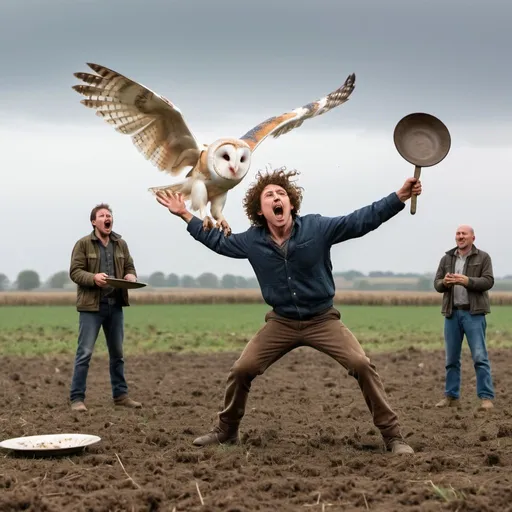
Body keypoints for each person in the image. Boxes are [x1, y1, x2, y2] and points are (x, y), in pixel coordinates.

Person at [156, 167, 422, 455]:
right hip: (281, 322)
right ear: (261, 210)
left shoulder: (317, 228)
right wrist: (185, 214)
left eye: (281, 193)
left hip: (322, 319)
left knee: (361, 365)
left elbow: (359, 220)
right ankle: (227, 430)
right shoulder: (252, 240)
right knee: (242, 369)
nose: (276, 198)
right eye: (269, 196)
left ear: (291, 203)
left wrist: (400, 197)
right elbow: (218, 242)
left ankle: (393, 436)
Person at [69, 203, 142, 412]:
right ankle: (77, 399)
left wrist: (131, 276)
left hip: (115, 306)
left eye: (109, 215)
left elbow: (129, 266)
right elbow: (75, 272)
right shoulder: (83, 244)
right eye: (101, 215)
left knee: (117, 354)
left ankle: (120, 396)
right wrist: (93, 278)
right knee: (84, 353)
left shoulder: (121, 244)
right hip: (91, 308)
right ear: (94, 222)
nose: (106, 218)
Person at [433, 225, 495, 410]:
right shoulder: (447, 258)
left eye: (464, 234)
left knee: (479, 357)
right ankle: (451, 396)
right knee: (451, 359)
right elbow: (436, 284)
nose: (460, 237)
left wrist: (467, 281)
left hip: (474, 314)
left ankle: (486, 398)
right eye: (458, 234)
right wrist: (444, 282)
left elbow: (489, 281)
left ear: (472, 238)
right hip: (452, 313)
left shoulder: (483, 257)